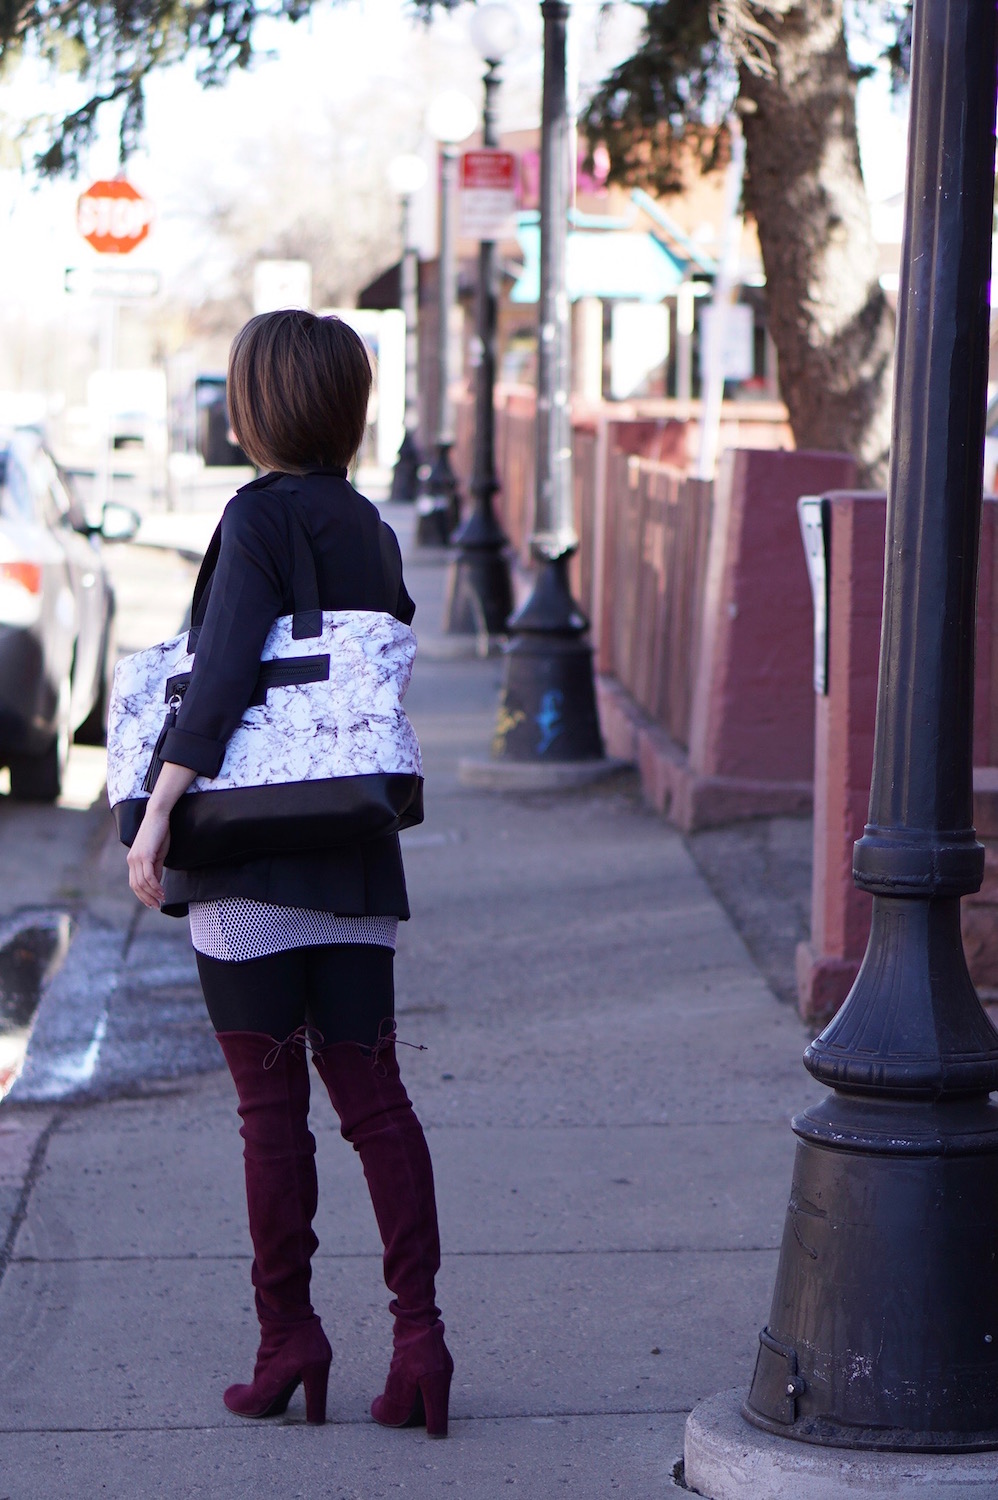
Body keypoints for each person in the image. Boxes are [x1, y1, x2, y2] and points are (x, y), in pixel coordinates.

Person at [125, 310, 451, 1436]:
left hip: (249, 850)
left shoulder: (255, 517)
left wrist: (156, 813)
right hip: (352, 848)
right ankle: (420, 1340)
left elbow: (220, 678)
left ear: (257, 404)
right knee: (376, 1103)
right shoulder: (369, 524)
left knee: (272, 1113)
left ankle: (287, 1341)